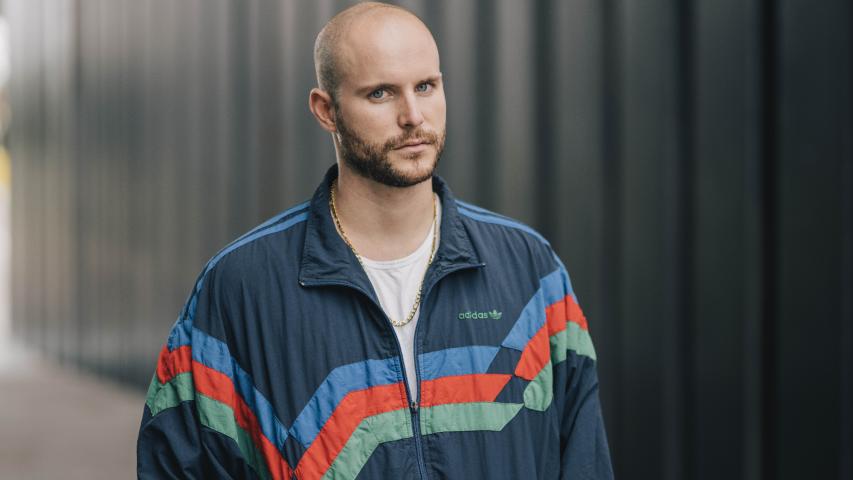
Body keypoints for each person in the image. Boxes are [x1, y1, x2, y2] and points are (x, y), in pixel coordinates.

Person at [136, 2, 613, 479]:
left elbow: (584, 456)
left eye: (425, 87)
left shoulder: (529, 269)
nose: (413, 116)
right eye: (380, 93)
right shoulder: (243, 286)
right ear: (326, 110)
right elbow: (176, 465)